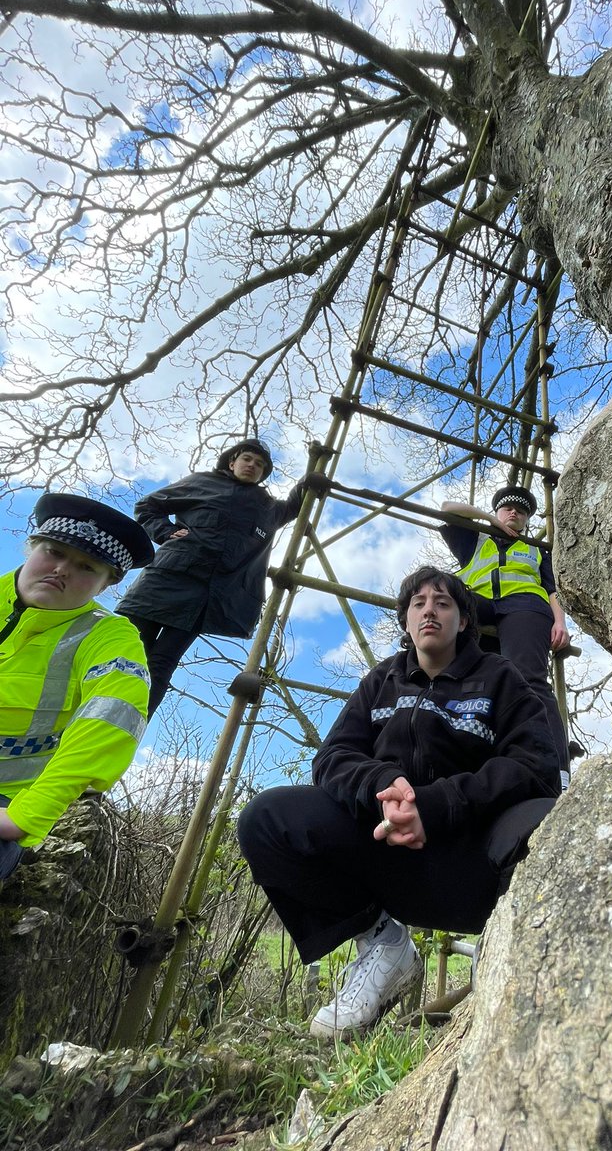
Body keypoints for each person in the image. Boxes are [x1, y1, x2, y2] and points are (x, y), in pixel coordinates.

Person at [237, 565, 559, 1039]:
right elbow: (332, 758)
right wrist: (386, 786)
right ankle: (384, 944)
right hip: (386, 852)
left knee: (547, 823)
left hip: (474, 862)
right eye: (419, 603)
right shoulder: (381, 680)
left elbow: (536, 764)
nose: (430, 611)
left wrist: (435, 804)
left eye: (443, 603)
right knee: (268, 817)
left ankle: (507, 967)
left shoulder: (500, 678)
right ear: (406, 620)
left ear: (464, 620)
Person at [0, 493, 154, 881]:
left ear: (105, 585)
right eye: (53, 552)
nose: (62, 570)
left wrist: (26, 816)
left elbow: (110, 721)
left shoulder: (111, 637)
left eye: (86, 566)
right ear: (32, 547)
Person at [116, 438, 304, 716]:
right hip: (164, 579)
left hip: (205, 596)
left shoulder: (266, 507)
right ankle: (81, 721)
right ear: (232, 462)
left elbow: (293, 507)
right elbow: (148, 506)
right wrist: (165, 533)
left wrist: (308, 481)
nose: (252, 466)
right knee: (124, 649)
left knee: (160, 664)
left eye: (260, 465)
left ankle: (127, 726)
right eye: (247, 459)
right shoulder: (203, 483)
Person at [440, 486, 571, 783]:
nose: (514, 512)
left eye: (521, 511)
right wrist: (489, 520)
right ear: (498, 512)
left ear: (526, 520)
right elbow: (447, 507)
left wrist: (560, 622)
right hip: (479, 604)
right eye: (507, 508)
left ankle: (557, 771)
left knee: (530, 680)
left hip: (524, 605)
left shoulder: (537, 549)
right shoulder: (475, 538)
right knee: (465, 681)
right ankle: (463, 767)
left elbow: (553, 591)